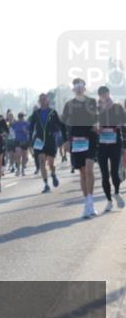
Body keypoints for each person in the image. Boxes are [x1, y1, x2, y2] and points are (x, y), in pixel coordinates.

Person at [62, 78, 100, 219]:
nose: (78, 88)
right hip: (76, 141)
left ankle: (90, 203)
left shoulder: (91, 101)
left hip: (90, 138)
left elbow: (94, 117)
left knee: (89, 170)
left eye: (81, 86)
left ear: (85, 88)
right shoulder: (69, 104)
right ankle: (86, 203)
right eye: (76, 86)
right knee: (83, 173)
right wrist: (66, 140)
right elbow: (63, 123)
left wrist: (97, 124)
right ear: (73, 89)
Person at [96, 86, 126, 211]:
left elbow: (124, 120)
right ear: (99, 96)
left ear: (109, 93)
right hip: (101, 145)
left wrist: (119, 124)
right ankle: (109, 201)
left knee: (114, 172)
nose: (103, 96)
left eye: (105, 93)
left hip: (115, 143)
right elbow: (91, 124)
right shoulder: (96, 109)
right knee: (104, 174)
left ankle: (117, 193)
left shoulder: (117, 107)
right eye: (101, 94)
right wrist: (96, 128)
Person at [27, 94, 63, 193]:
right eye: (41, 100)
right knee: (42, 162)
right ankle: (46, 184)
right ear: (39, 101)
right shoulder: (36, 113)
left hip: (50, 140)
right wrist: (30, 141)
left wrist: (61, 133)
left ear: (47, 101)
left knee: (51, 163)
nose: (43, 101)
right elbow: (31, 127)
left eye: (44, 99)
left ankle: (53, 174)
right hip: (39, 141)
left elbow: (59, 125)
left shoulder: (52, 112)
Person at [10, 112, 31, 176]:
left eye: (21, 117)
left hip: (25, 141)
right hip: (17, 141)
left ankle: (22, 169)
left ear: (23, 117)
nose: (20, 119)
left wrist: (26, 131)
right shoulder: (15, 124)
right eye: (19, 117)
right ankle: (18, 169)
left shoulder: (27, 124)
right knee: (18, 155)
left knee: (25, 157)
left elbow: (30, 132)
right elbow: (11, 129)